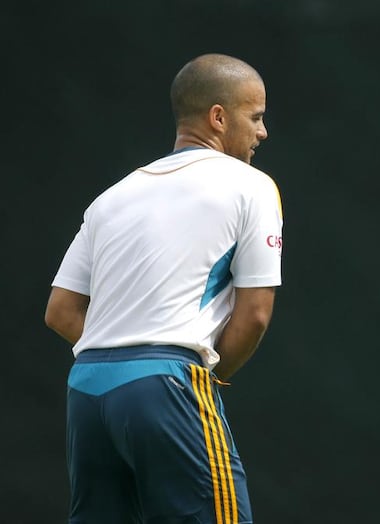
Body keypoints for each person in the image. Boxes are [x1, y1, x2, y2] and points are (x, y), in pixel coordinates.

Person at [44, 53, 283, 524]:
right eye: (255, 117)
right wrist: (204, 379)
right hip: (167, 385)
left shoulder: (112, 196)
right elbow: (255, 313)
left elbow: (60, 310)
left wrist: (121, 352)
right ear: (219, 117)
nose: (262, 132)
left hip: (88, 391)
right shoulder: (251, 185)